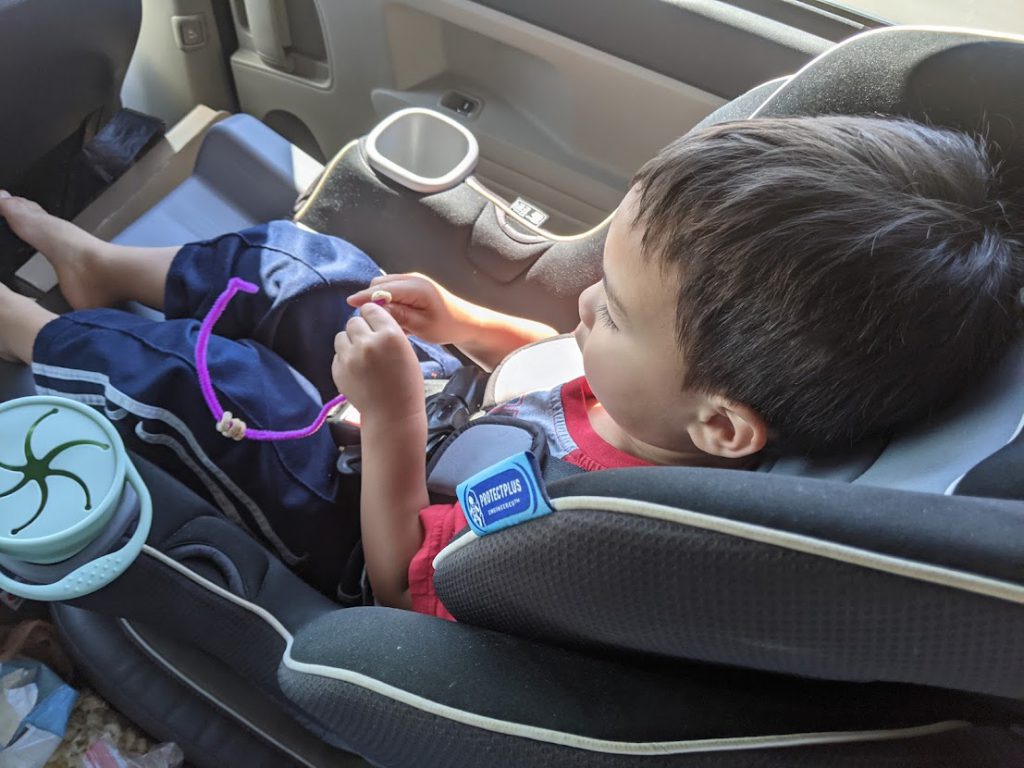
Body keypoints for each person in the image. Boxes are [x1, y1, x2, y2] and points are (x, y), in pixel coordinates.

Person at [0, 116, 1020, 618]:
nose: (582, 306)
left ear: (720, 429)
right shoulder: (664, 386)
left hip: (372, 515)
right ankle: (99, 266)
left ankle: (26, 329)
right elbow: (549, 356)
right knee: (298, 265)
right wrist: (457, 320)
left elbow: (401, 578)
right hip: (444, 406)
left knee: (201, 379)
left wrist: (394, 421)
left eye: (611, 311)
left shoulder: (569, 522)